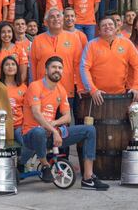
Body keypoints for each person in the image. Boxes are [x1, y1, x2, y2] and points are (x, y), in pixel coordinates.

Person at [21, 56, 109, 190]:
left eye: (60, 68)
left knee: (89, 130)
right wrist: (55, 130)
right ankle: (45, 166)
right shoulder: (35, 86)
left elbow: (67, 117)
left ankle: (88, 177)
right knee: (39, 131)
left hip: (51, 134)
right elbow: (36, 114)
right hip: (31, 135)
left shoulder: (61, 90)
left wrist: (54, 123)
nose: (57, 70)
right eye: (54, 67)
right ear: (46, 70)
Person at [79, 17, 138, 105]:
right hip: (97, 96)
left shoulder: (127, 44)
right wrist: (92, 90)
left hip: (122, 95)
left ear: (116, 28)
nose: (107, 27)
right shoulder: (91, 45)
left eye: (110, 24)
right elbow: (84, 68)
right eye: (103, 25)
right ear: (99, 31)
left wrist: (135, 87)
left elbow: (136, 65)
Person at [31, 8, 82, 102]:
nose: (56, 19)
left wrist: (80, 86)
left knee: (66, 116)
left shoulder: (74, 38)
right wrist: (32, 87)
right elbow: (33, 66)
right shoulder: (37, 40)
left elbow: (78, 65)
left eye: (58, 16)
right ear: (46, 22)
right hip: (42, 90)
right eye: (52, 17)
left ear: (62, 19)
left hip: (66, 89)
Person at [0, 56, 28, 146]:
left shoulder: (23, 87)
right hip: (2, 126)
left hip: (19, 126)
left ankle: (21, 160)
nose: (10, 67)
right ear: (3, 69)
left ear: (17, 68)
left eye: (13, 64)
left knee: (27, 143)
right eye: (7, 65)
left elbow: (26, 109)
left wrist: (25, 125)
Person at [13, 18, 32, 82]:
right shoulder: (10, 44)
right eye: (17, 24)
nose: (20, 26)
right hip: (14, 77)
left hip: (30, 78)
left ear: (26, 27)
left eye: (22, 24)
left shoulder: (32, 44)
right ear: (13, 27)